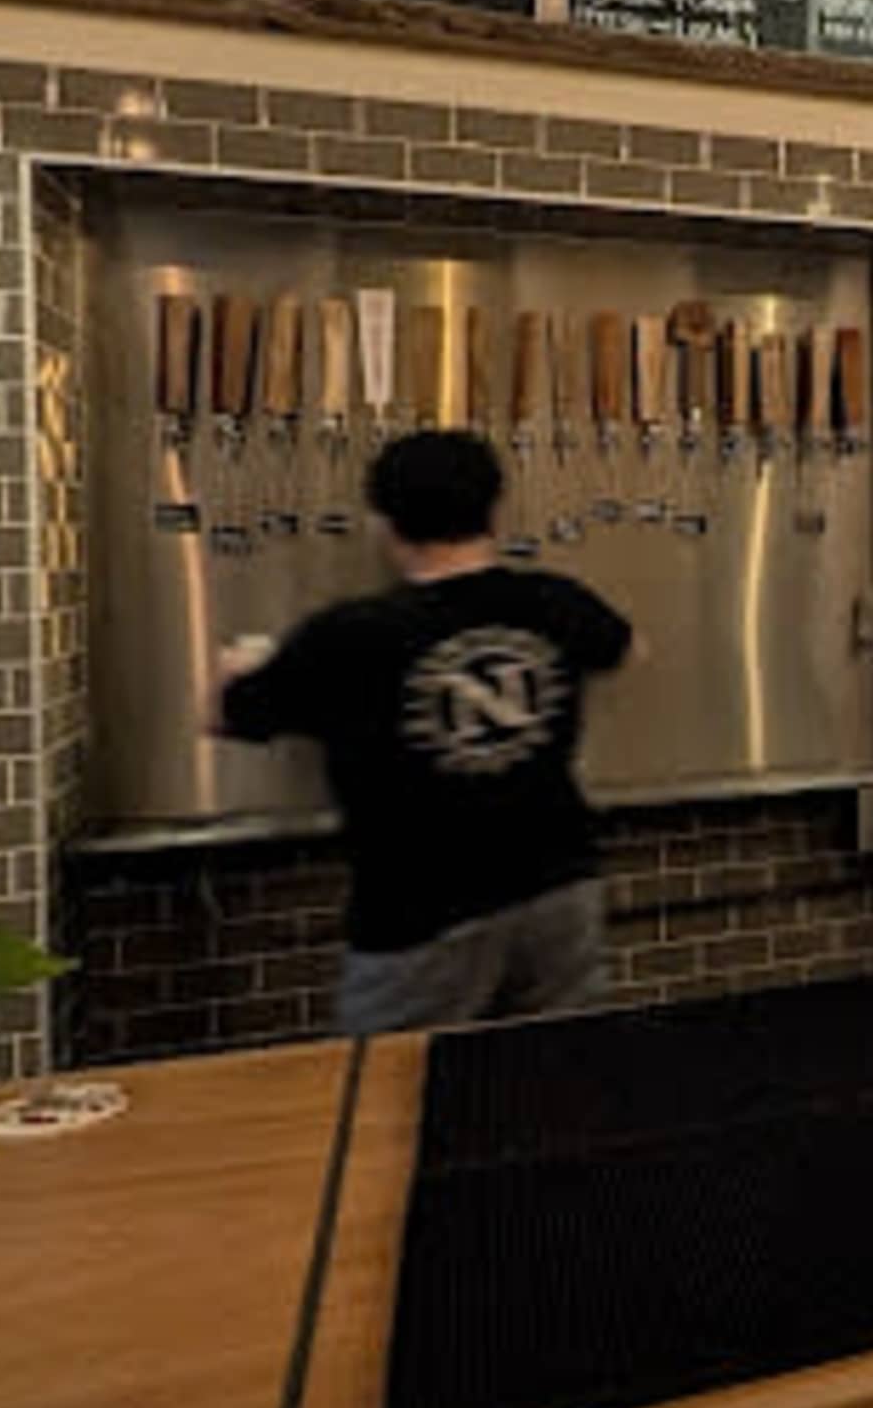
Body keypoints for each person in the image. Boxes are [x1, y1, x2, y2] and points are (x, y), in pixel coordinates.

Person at [210, 427, 632, 1031]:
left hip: (423, 914)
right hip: (559, 889)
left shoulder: (351, 635)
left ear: (386, 523)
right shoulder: (554, 602)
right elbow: (626, 646)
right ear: (494, 510)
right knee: (553, 1086)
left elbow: (229, 712)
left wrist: (236, 667)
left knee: (388, 1102)